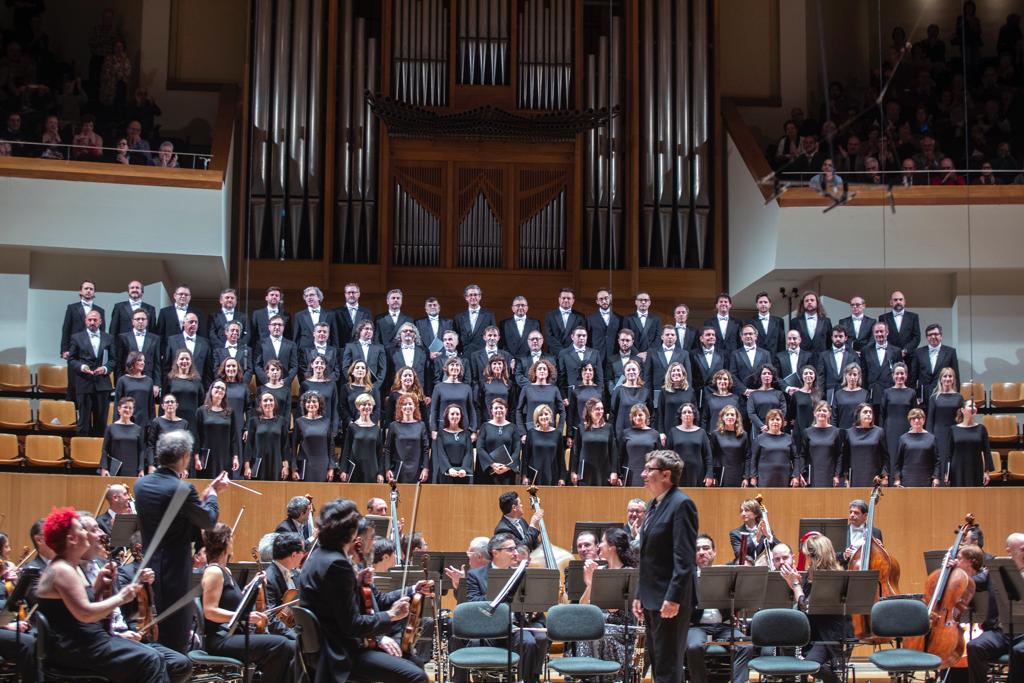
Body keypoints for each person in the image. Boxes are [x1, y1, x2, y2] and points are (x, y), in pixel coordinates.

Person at [298, 497, 427, 683]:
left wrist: (356, 583)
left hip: (323, 649)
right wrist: (391, 615)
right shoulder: (338, 564)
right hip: (341, 653)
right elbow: (352, 625)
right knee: (417, 676)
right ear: (350, 532)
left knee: (410, 662)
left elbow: (331, 601)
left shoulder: (317, 557)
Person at [33, 508, 167, 682]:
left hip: (87, 641)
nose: (85, 532)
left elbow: (78, 608)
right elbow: (85, 614)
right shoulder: (62, 570)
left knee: (155, 658)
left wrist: (100, 587)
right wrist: (120, 597)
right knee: (151, 660)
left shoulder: (69, 566)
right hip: (78, 647)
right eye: (80, 529)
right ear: (72, 539)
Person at [134, 430, 227, 653]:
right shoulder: (182, 488)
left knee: (153, 636)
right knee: (175, 640)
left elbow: (174, 519)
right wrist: (212, 494)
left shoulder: (141, 486)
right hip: (175, 572)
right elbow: (208, 520)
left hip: (148, 569)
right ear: (185, 456)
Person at [632, 450, 698, 683]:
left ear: (666, 475)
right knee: (659, 665)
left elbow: (684, 560)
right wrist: (640, 593)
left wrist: (674, 598)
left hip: (670, 601)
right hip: (652, 598)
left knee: (668, 667)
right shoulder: (653, 505)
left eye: (649, 469)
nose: (643, 474)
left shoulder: (682, 504)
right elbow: (648, 557)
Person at [199, 523, 295, 679]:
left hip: (233, 635)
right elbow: (210, 611)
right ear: (225, 542)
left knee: (290, 646)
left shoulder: (225, 571)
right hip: (221, 639)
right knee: (281, 645)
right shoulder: (214, 572)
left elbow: (232, 603)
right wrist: (244, 617)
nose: (233, 542)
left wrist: (251, 587)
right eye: (231, 538)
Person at [686, 534, 753, 683]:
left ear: (714, 552)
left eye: (706, 548)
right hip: (696, 626)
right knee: (693, 647)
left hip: (723, 626)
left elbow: (738, 600)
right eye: (697, 549)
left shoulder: (726, 574)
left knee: (746, 646)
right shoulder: (686, 577)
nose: (702, 552)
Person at [780, 534, 845, 683]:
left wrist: (795, 585)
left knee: (811, 664)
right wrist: (800, 584)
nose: (806, 559)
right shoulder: (812, 574)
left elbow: (806, 607)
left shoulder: (831, 577)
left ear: (816, 556)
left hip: (830, 635)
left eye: (808, 556)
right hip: (815, 631)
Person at [578, 528, 639, 678]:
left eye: (603, 542)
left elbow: (613, 608)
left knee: (601, 634)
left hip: (623, 630)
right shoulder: (599, 570)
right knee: (585, 633)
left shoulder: (628, 572)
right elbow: (583, 607)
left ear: (612, 546)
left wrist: (595, 582)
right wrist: (591, 584)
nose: (599, 546)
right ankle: (588, 678)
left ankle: (607, 677)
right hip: (601, 626)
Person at [967, 532, 1024, 683]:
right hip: (999, 632)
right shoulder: (995, 570)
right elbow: (970, 582)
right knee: (975, 647)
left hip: (1022, 633)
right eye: (1023, 549)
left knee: (1019, 651)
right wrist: (955, 571)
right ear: (1009, 550)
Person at [68, 309, 114, 437]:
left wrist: (105, 368)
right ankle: (82, 452)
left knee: (101, 420)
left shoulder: (108, 338)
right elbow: (71, 359)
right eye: (90, 320)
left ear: (100, 321)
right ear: (85, 321)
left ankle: (98, 453)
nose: (92, 322)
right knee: (84, 420)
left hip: (102, 384)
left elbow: (113, 360)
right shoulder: (76, 337)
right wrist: (81, 366)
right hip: (84, 383)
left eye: (95, 320)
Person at [383, 393, 430, 484]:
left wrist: (425, 468)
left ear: (415, 407)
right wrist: (387, 469)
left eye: (410, 404)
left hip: (417, 469)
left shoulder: (421, 425)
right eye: (404, 404)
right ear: (400, 407)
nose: (407, 406)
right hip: (398, 469)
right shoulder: (393, 426)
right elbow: (388, 449)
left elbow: (426, 449)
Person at [195, 380, 239, 478]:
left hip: (224, 457)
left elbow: (234, 437)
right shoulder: (201, 411)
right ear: (211, 390)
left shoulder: (230, 412)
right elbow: (196, 436)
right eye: (217, 387)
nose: (220, 390)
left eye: (223, 389)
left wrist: (235, 457)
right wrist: (196, 457)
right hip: (206, 457)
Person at [264, 532, 304, 638]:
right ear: (294, 555)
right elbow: (270, 619)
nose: (304, 555)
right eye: (302, 551)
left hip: (295, 627)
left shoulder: (296, 574)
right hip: (277, 635)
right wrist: (295, 636)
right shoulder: (269, 578)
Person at [570, 398, 617, 486]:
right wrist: (573, 471)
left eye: (602, 408)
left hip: (604, 471)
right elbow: (576, 452)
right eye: (597, 409)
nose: (600, 411)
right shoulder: (581, 428)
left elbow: (613, 451)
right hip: (585, 472)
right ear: (589, 411)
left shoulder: (609, 428)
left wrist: (614, 471)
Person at [475, 397, 521, 485]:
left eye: (501, 407)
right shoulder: (485, 426)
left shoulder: (513, 427)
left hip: (507, 470)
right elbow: (480, 447)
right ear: (491, 411)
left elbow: (517, 449)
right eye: (496, 408)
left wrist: (507, 466)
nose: (499, 410)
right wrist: (492, 464)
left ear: (506, 410)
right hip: (489, 469)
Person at [665, 403, 714, 487]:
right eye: (684, 412)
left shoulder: (701, 432)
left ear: (694, 415)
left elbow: (708, 456)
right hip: (677, 472)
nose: (687, 414)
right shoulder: (673, 432)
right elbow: (667, 455)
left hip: (697, 473)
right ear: (680, 416)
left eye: (689, 412)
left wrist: (709, 474)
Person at [947, 400, 993, 487]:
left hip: (976, 468)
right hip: (957, 469)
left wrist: (987, 472)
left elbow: (987, 452)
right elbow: (948, 453)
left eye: (975, 406)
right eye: (970, 406)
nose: (974, 408)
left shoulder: (981, 428)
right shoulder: (953, 429)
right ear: (963, 410)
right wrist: (947, 473)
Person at [245, 392, 290, 480]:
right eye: (265, 400)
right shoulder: (253, 421)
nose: (268, 403)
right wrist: (247, 467)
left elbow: (285, 446)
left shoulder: (282, 421)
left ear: (275, 403)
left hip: (277, 463)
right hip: (258, 463)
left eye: (271, 400)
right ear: (260, 403)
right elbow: (249, 446)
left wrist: (286, 467)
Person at [927, 367, 965, 475]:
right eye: (945, 376)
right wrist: (929, 438)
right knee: (940, 460)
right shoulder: (934, 398)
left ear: (953, 379)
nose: (947, 378)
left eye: (950, 376)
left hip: (954, 434)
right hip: (939, 434)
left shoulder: (959, 397)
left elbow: (961, 420)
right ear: (940, 379)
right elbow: (930, 420)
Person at [844, 401, 889, 487]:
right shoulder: (849, 433)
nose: (868, 414)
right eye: (865, 412)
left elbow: (885, 457)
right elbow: (845, 458)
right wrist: (846, 478)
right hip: (855, 476)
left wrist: (884, 476)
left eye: (870, 412)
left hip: (875, 477)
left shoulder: (879, 432)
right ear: (858, 414)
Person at [342, 394, 385, 483]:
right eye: (363, 404)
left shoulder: (376, 429)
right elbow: (346, 449)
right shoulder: (352, 427)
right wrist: (344, 470)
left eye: (369, 404)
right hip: (355, 468)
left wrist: (380, 473)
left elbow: (380, 453)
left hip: (372, 469)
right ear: (358, 406)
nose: (367, 407)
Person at [751, 409, 800, 487]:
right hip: (765, 478)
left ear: (782, 422)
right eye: (772, 419)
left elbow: (795, 458)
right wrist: (753, 476)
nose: (775, 422)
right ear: (768, 422)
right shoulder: (759, 439)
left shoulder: (789, 438)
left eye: (778, 419)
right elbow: (753, 459)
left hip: (785, 478)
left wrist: (796, 476)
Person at [115, 349, 158, 435]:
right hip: (127, 420)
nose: (143, 363)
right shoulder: (122, 380)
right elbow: (117, 403)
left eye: (143, 361)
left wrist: (152, 424)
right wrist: (117, 423)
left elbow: (151, 406)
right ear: (132, 361)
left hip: (144, 423)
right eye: (139, 360)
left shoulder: (149, 381)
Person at [617, 404, 663, 486]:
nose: (637, 417)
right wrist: (619, 475)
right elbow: (620, 456)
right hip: (630, 475)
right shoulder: (625, 433)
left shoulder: (655, 434)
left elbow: (659, 459)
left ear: (646, 416)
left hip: (649, 475)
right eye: (635, 415)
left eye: (640, 415)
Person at [911, 324, 959, 401]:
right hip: (923, 397)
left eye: (936, 334)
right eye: (930, 335)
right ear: (927, 337)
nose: (933, 337)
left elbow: (956, 376)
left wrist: (956, 396)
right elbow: (913, 377)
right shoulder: (918, 352)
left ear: (941, 336)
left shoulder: (950, 352)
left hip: (944, 395)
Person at [100, 397, 146, 477]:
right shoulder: (111, 427)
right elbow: (104, 450)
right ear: (119, 409)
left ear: (133, 411)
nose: (127, 410)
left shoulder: (138, 429)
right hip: (115, 470)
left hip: (133, 469)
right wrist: (104, 468)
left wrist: (141, 469)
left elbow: (141, 451)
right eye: (125, 407)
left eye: (130, 408)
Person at [522, 404, 566, 486]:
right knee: (534, 498)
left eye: (546, 414)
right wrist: (524, 476)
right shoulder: (531, 433)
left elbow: (561, 458)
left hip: (552, 473)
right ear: (537, 418)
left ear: (550, 416)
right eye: (540, 415)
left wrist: (562, 477)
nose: (544, 417)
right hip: (534, 474)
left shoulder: (557, 433)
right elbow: (526, 457)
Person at [896, 408, 940, 487]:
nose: (916, 420)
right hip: (907, 479)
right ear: (910, 421)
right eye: (913, 418)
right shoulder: (903, 438)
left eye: (919, 418)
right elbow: (898, 462)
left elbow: (937, 461)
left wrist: (936, 477)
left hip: (926, 479)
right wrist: (897, 478)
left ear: (924, 420)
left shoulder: (932, 438)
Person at [802, 401, 843, 487]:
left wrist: (837, 475)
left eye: (824, 410)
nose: (821, 413)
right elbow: (802, 455)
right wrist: (802, 473)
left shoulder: (836, 432)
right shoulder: (807, 432)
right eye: (819, 410)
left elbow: (839, 455)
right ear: (814, 413)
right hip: (812, 475)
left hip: (830, 475)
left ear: (829, 414)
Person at [881, 362, 916, 460]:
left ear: (906, 375)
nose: (899, 376)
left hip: (907, 430)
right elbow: (882, 414)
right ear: (893, 375)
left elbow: (914, 414)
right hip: (890, 431)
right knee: (891, 457)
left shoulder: (912, 393)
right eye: (897, 373)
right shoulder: (887, 392)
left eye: (902, 373)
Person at [557, 326, 604, 397]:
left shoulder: (595, 353)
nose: (581, 338)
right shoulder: (564, 353)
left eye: (584, 336)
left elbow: (599, 377)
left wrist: (599, 393)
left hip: (591, 394)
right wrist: (563, 397)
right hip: (572, 394)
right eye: (579, 335)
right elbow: (561, 378)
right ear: (572, 337)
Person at [710, 405, 749, 487]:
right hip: (721, 475)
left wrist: (746, 477)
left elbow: (748, 457)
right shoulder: (715, 434)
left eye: (732, 414)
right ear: (722, 418)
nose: (730, 417)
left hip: (738, 475)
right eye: (727, 414)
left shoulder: (744, 435)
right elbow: (711, 457)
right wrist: (712, 475)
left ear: (736, 418)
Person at [729, 499, 778, 566]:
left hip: (765, 569)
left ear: (756, 514)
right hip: (747, 570)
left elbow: (778, 548)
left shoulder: (765, 530)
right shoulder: (735, 533)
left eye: (746, 510)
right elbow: (739, 555)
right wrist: (756, 541)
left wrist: (768, 536)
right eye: (741, 511)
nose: (743, 514)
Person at [645, 325, 693, 392]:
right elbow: (647, 376)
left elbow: (688, 376)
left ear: (676, 337)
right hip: (657, 390)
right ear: (662, 337)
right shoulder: (652, 352)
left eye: (672, 335)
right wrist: (648, 394)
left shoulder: (684, 354)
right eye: (667, 334)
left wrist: (687, 392)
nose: (670, 337)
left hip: (677, 391)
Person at [255, 315, 299, 387]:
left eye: (280, 325)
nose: (277, 327)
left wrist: (286, 381)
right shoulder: (261, 344)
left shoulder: (291, 344)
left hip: (284, 385)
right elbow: (257, 365)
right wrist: (267, 380)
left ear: (283, 327)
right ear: (269, 327)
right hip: (266, 385)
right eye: (274, 324)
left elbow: (294, 366)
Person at [609, 359, 650, 435]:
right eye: (628, 370)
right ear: (624, 373)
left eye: (634, 369)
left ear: (639, 372)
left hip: (642, 432)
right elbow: (612, 414)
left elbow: (651, 414)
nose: (631, 372)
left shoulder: (645, 391)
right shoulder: (618, 390)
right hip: (622, 433)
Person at [453, 284, 497, 355]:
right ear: (466, 297)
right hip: (465, 355)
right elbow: (456, 337)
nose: (473, 297)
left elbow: (495, 335)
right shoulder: (458, 317)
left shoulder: (489, 315)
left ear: (480, 297)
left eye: (475, 295)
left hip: (483, 355)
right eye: (470, 295)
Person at [434, 404, 472, 484]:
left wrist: (464, 469)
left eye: (457, 414)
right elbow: (441, 454)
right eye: (452, 414)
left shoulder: (466, 433)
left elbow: (468, 453)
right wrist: (449, 468)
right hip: (446, 472)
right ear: (447, 416)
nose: (455, 416)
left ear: (461, 416)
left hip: (462, 473)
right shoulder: (441, 433)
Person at [292, 286, 338, 351]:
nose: (309, 297)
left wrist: (335, 353)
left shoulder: (330, 314)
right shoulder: (299, 315)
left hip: (326, 351)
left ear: (319, 297)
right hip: (304, 352)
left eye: (312, 295)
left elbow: (334, 336)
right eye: (306, 296)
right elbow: (296, 338)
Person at [841, 499, 883, 568]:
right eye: (851, 512)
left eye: (856, 513)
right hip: (846, 572)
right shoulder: (842, 531)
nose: (852, 515)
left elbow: (880, 558)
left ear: (865, 516)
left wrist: (880, 549)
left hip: (869, 571)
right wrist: (844, 556)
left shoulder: (875, 532)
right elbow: (834, 557)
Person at [878, 291, 921, 358]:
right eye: (895, 300)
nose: (898, 302)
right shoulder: (883, 318)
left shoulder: (913, 317)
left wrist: (905, 350)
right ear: (891, 302)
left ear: (904, 302)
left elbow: (916, 337)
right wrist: (892, 351)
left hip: (909, 356)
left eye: (900, 299)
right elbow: (881, 336)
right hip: (889, 355)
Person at [728, 325, 772, 390]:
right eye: (745, 334)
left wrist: (762, 389)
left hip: (762, 392)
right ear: (741, 337)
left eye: (750, 334)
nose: (748, 336)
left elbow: (769, 373)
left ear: (755, 336)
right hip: (742, 394)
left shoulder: (765, 353)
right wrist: (744, 390)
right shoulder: (735, 354)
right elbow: (732, 375)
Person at [701, 369, 740, 435]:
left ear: (729, 381)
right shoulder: (709, 398)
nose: (722, 381)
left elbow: (738, 419)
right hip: (713, 435)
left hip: (731, 435)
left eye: (725, 379)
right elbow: (704, 419)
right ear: (716, 381)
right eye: (720, 379)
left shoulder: (735, 398)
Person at [832, 363, 869, 429]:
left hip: (860, 431)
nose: (852, 377)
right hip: (842, 431)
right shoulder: (838, 394)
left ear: (859, 376)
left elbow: (868, 416)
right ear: (845, 376)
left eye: (855, 374)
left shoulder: (865, 393)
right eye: (850, 374)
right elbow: (834, 417)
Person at [477, 355, 514, 422]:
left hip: (505, 422)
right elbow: (479, 406)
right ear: (490, 366)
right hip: (487, 421)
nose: (497, 366)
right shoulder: (483, 383)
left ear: (503, 366)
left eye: (499, 363)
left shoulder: (509, 383)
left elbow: (512, 406)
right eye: (494, 364)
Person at [587, 289, 621, 360]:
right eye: (601, 299)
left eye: (606, 298)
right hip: (596, 357)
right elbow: (588, 340)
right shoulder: (590, 319)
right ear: (597, 301)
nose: (604, 301)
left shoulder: (619, 318)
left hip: (614, 356)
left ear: (610, 298)